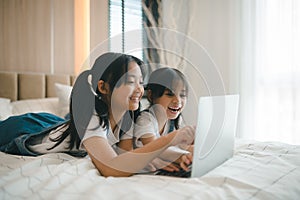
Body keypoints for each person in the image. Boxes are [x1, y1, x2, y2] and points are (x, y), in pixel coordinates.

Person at [0, 52, 195, 177]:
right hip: (25, 128)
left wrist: (177, 156)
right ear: (103, 87)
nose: (139, 90)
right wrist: (172, 139)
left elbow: (126, 154)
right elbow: (111, 166)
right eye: (130, 81)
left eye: (140, 82)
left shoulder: (127, 118)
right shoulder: (92, 116)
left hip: (57, 124)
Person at [119, 67, 194, 172]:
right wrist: (182, 157)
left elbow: (182, 144)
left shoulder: (174, 121)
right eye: (169, 94)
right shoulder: (145, 120)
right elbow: (154, 148)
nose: (178, 100)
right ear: (151, 95)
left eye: (182, 95)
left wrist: (191, 149)